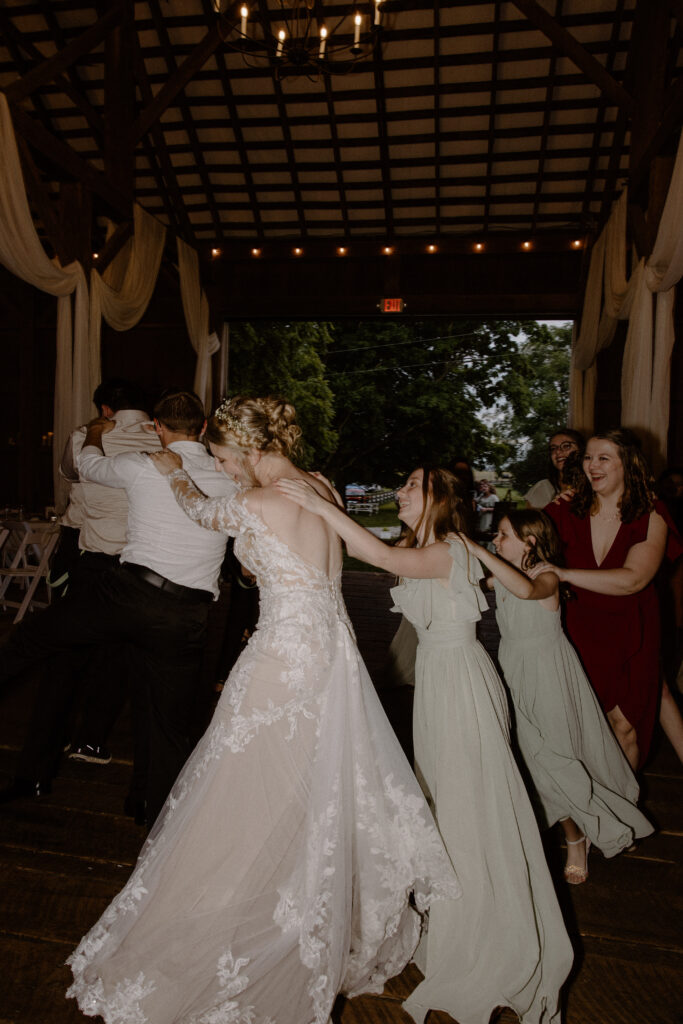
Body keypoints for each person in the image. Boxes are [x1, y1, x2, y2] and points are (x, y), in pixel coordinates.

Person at [66, 395, 459, 1024]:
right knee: (314, 781)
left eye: (223, 457)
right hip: (332, 652)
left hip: (281, 657)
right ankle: (303, 902)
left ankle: (251, 911)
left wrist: (173, 470)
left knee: (245, 785)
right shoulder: (319, 484)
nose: (223, 468)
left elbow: (198, 511)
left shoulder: (254, 501)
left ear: (248, 451)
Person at [277, 465, 573, 1024]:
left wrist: (321, 507)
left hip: (462, 685)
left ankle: (490, 938)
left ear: (438, 496)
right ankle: (457, 920)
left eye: (413, 484)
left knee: (469, 808)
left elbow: (385, 560)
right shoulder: (424, 546)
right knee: (442, 805)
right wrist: (320, 495)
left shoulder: (448, 551)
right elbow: (374, 551)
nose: (401, 491)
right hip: (438, 686)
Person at [0, 389, 235, 826]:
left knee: (32, 638)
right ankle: (153, 815)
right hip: (186, 614)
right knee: (168, 724)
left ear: (158, 428)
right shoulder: (229, 477)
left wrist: (93, 431)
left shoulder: (142, 465)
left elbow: (87, 465)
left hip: (127, 594)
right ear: (203, 429)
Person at [464, 510, 653, 884]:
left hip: (550, 677)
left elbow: (527, 591)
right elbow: (478, 585)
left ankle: (588, 833)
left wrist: (477, 550)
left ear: (529, 542)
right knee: (536, 763)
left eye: (503, 535)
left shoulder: (546, 577)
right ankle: (575, 834)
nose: (496, 542)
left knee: (558, 757)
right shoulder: (503, 575)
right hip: (514, 672)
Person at [0, 379, 160, 804]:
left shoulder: (84, 437)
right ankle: (136, 786)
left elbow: (71, 475)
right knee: (130, 666)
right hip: (145, 573)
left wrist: (93, 431)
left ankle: (34, 775)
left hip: (93, 566)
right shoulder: (164, 441)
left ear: (106, 408)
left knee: (61, 668)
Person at [542, 428, 683, 770]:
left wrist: (564, 574)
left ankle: (622, 816)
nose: (592, 465)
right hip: (578, 632)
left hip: (632, 632)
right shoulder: (563, 510)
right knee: (586, 729)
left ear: (628, 465)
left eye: (604, 458)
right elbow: (521, 543)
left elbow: (634, 578)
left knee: (625, 727)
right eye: (589, 457)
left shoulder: (651, 513)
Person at [525, 428, 584, 509]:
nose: (558, 452)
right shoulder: (542, 488)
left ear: (581, 449)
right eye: (553, 448)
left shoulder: (594, 486)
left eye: (566, 446)